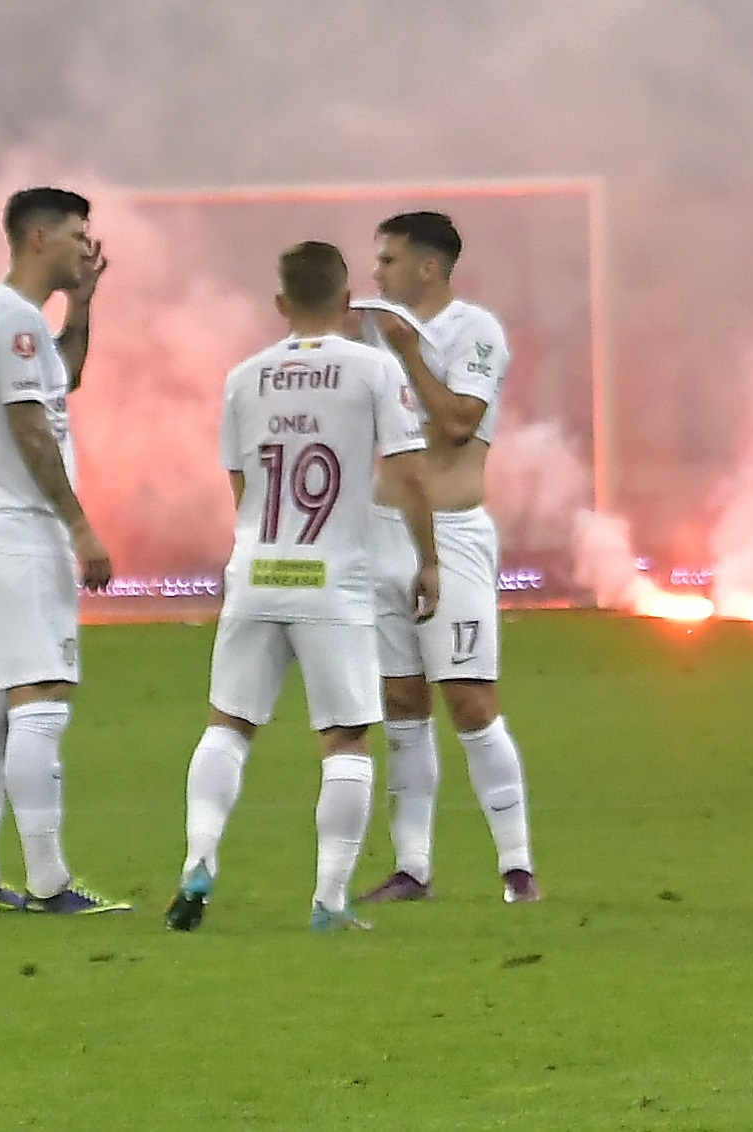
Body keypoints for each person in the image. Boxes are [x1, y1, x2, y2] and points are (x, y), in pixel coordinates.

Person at [175, 241, 442, 933]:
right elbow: (410, 474)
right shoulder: (373, 371)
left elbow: (242, 486)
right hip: (334, 580)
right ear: (348, 300)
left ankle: (198, 859)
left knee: (229, 724)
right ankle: (328, 898)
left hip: (257, 571)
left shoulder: (244, 378)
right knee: (345, 738)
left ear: (281, 304)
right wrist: (430, 559)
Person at [348, 210, 546, 907]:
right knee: (401, 701)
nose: (378, 273)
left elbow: (460, 425)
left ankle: (517, 867)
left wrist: (404, 351)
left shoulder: (474, 331)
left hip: (453, 532)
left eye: (390, 260)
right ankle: (413, 868)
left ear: (429, 267)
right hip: (382, 532)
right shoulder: (371, 329)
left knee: (468, 698)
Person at [0, 186, 131, 915]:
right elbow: (31, 428)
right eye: (78, 235)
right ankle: (51, 882)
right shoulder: (15, 322)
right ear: (38, 238)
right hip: (22, 531)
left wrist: (82, 304)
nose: (87, 246)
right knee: (41, 698)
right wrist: (80, 526)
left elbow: (64, 380)